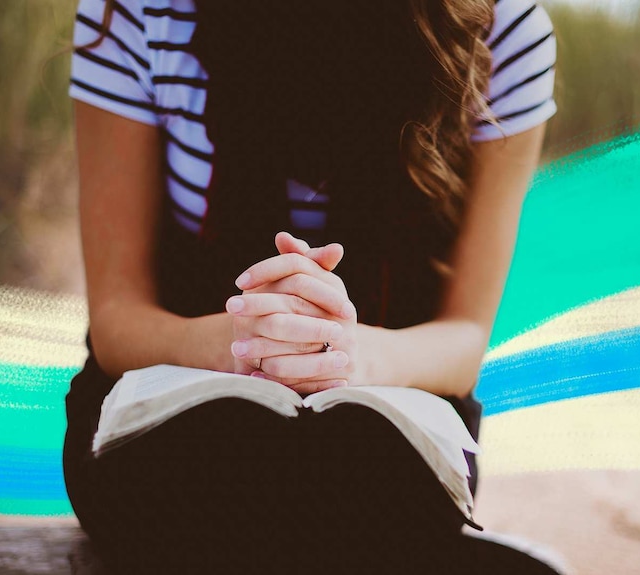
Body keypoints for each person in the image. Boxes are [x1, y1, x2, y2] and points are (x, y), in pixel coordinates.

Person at [62, 0, 561, 573]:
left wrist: (344, 351)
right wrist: (244, 344)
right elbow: (116, 319)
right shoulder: (137, 12)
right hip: (173, 425)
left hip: (386, 432)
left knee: (359, 493)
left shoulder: (504, 33)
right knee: (217, 487)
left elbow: (465, 339)